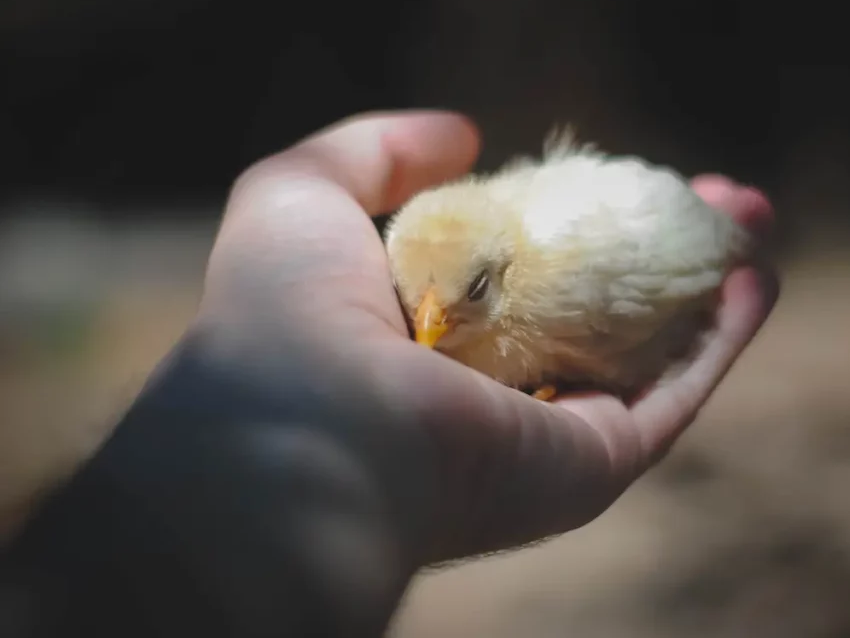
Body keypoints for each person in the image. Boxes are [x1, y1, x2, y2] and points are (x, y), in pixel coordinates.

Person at [0, 110, 778, 638]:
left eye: (467, 297)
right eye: (416, 301)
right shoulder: (438, 262)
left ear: (504, 271)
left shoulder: (571, 278)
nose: (430, 325)